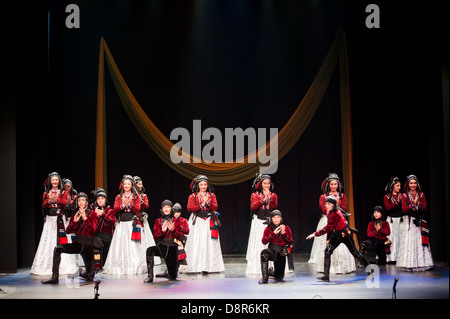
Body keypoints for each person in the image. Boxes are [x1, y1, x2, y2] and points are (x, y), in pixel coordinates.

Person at [41, 192, 102, 284]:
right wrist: (74, 222)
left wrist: (85, 218)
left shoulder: (93, 214)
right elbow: (68, 231)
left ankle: (81, 272)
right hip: (77, 244)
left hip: (88, 246)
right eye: (79, 200)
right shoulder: (75, 214)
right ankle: (54, 277)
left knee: (90, 277)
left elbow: (92, 231)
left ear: (87, 202)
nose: (81, 202)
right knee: (58, 249)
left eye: (83, 200)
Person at [306, 195, 369, 282]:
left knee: (356, 254)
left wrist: (315, 234)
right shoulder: (329, 212)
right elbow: (330, 228)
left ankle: (371, 270)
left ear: (333, 205)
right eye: (326, 204)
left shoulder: (336, 213)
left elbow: (328, 227)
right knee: (327, 251)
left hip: (345, 235)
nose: (326, 206)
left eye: (328, 204)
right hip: (337, 235)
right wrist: (328, 239)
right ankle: (326, 276)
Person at [308, 173, 356, 274]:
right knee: (327, 244)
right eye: (332, 184)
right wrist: (333, 208)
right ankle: (326, 269)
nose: (334, 186)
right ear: (328, 185)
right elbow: (323, 209)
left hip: (339, 221)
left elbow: (344, 209)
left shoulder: (342, 196)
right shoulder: (323, 196)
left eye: (335, 184)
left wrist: (337, 205)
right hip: (327, 220)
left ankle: (342, 265)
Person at [31, 172, 78, 276]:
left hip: (59, 218)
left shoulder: (63, 192)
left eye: (56, 180)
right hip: (50, 219)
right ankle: (46, 265)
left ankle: (63, 265)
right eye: (53, 180)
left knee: (61, 240)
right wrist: (49, 201)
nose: (55, 182)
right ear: (50, 181)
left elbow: (64, 203)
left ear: (59, 181)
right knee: (48, 239)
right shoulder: (46, 193)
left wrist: (56, 199)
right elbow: (43, 205)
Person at [103, 175, 151, 275]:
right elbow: (115, 208)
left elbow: (137, 209)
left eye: (128, 184)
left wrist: (130, 204)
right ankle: (120, 266)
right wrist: (123, 205)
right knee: (120, 245)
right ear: (122, 185)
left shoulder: (136, 197)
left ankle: (134, 266)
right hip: (122, 224)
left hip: (131, 222)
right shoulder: (118, 197)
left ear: (132, 185)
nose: (126, 186)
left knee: (134, 245)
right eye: (125, 184)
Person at [179, 175, 225, 274]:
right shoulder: (193, 196)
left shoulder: (212, 195)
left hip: (208, 220)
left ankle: (210, 266)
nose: (203, 186)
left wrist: (207, 202)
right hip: (198, 221)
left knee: (209, 243)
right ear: (198, 186)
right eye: (201, 185)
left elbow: (215, 207)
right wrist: (202, 204)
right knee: (197, 242)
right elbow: (190, 208)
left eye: (205, 184)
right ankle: (195, 266)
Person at [144, 200, 190, 283]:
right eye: (164, 207)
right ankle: (150, 276)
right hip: (162, 246)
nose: (166, 209)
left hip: (172, 248)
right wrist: (162, 231)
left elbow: (179, 236)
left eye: (168, 207)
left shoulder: (176, 220)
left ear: (171, 209)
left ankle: (168, 273)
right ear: (161, 209)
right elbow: (155, 237)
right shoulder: (158, 221)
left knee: (173, 277)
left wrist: (173, 230)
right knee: (150, 250)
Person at [396, 175, 433, 271]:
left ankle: (422, 263)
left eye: (415, 183)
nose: (413, 185)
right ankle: (410, 264)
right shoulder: (405, 196)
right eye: (411, 183)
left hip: (419, 221)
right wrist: (413, 204)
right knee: (410, 241)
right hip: (410, 222)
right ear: (408, 184)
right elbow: (404, 210)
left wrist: (419, 204)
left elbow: (425, 208)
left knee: (420, 242)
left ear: (417, 184)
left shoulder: (421, 195)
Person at [246, 174, 278, 275]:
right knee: (260, 242)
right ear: (261, 184)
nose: (267, 185)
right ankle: (260, 265)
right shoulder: (255, 195)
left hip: (270, 222)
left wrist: (269, 197)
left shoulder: (273, 195)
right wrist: (263, 199)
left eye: (268, 183)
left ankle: (272, 266)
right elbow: (253, 207)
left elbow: (274, 206)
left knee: (272, 243)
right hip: (260, 222)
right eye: (265, 183)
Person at [258, 210, 293, 284]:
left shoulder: (286, 228)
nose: (276, 219)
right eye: (274, 217)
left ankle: (272, 272)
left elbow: (290, 241)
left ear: (281, 219)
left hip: (281, 252)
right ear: (271, 219)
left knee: (279, 277)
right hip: (272, 251)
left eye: (278, 217)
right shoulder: (268, 229)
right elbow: (264, 241)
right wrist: (273, 233)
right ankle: (265, 278)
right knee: (264, 253)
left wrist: (283, 234)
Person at [133, 176, 160, 265]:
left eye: (141, 184)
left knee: (144, 238)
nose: (140, 186)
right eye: (138, 184)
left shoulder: (143, 195)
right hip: (132, 219)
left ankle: (145, 257)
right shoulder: (131, 196)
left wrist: (141, 201)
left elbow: (147, 206)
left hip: (141, 219)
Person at [91, 187, 115, 266]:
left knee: (105, 254)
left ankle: (103, 265)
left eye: (102, 198)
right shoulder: (93, 210)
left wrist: (103, 214)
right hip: (96, 235)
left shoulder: (110, 211)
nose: (100, 200)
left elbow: (112, 222)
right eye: (98, 199)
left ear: (105, 200)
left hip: (106, 236)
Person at [383, 176, 403, 262]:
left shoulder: (402, 196)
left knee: (400, 238)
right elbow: (388, 208)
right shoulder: (387, 197)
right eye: (397, 185)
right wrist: (397, 202)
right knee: (392, 238)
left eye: (400, 186)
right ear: (393, 186)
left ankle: (400, 257)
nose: (399, 187)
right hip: (391, 220)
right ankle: (391, 257)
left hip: (400, 220)